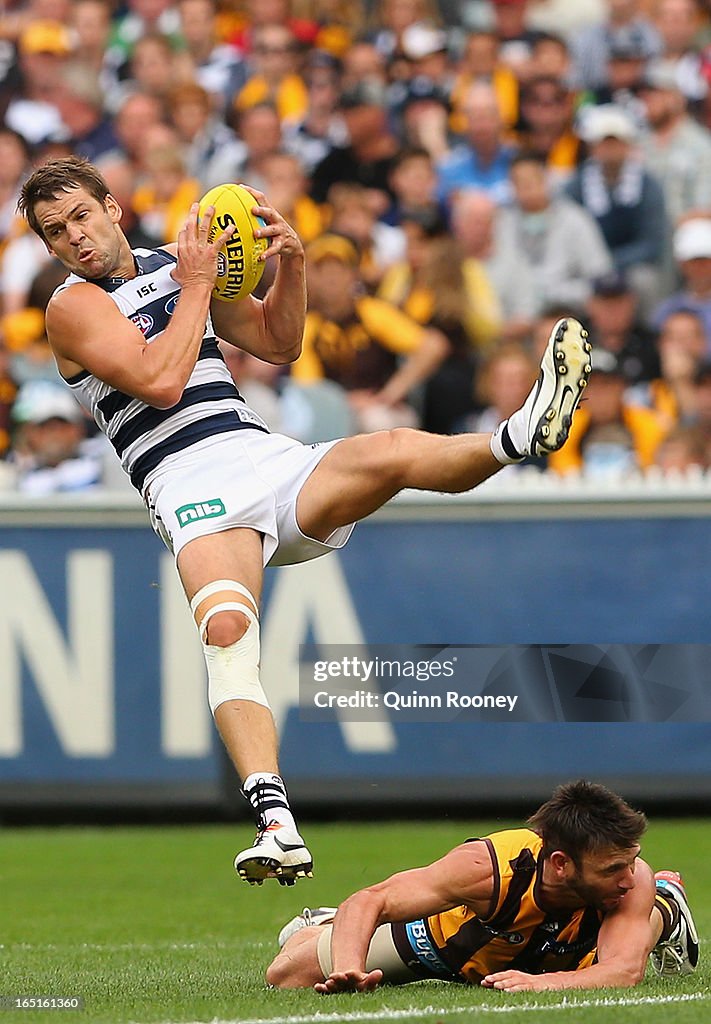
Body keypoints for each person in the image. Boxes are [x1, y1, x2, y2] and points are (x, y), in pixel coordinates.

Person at [18, 156, 591, 886]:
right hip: (188, 482)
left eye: (80, 217)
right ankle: (276, 823)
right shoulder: (72, 307)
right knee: (226, 630)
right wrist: (197, 281)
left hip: (260, 455)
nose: (74, 238)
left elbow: (278, 344)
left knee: (386, 452)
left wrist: (289, 268)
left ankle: (519, 436)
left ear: (112, 208)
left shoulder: (177, 261)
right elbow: (160, 381)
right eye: (56, 232)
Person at [267, 780, 699, 992]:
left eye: (632, 860)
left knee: (639, 912)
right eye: (612, 869)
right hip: (444, 945)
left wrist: (542, 984)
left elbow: (623, 970)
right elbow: (370, 899)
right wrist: (350, 968)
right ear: (562, 864)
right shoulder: (487, 869)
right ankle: (326, 926)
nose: (628, 876)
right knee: (284, 975)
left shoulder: (631, 878)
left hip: (559, 953)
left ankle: (667, 905)